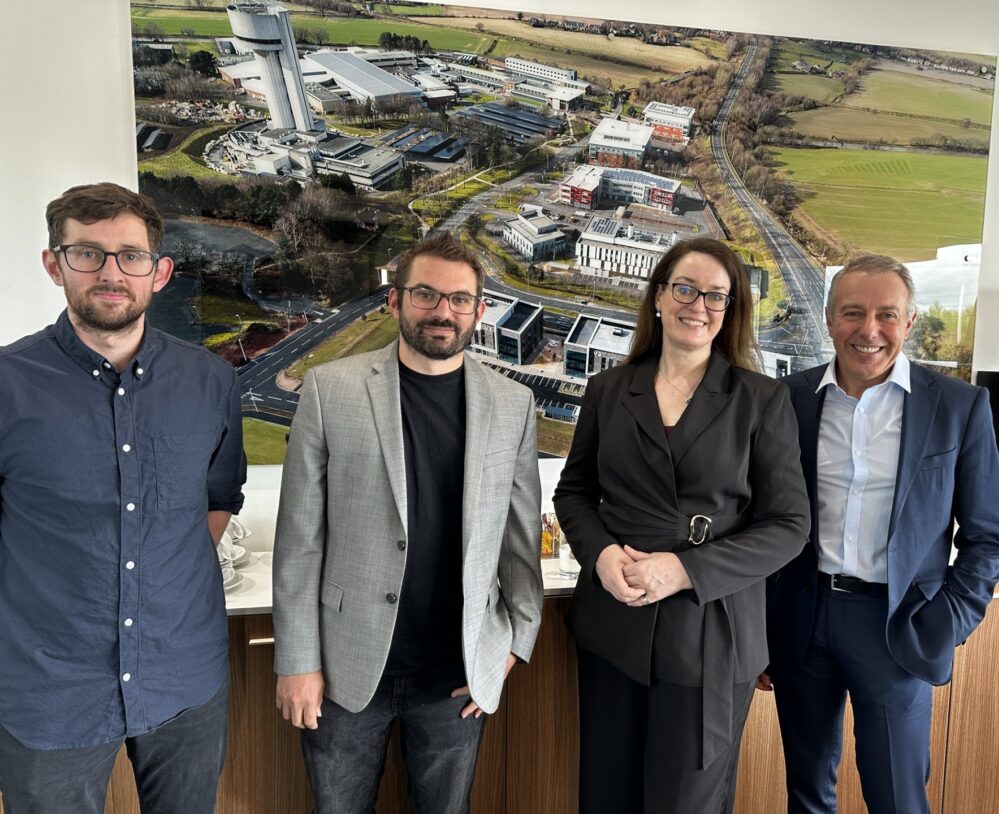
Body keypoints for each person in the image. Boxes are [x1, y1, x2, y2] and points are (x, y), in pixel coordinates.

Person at [272, 232, 543, 814]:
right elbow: (299, 542)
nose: (443, 311)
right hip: (344, 671)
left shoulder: (513, 403)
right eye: (425, 294)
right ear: (394, 301)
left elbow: (520, 541)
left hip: (458, 670)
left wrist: (515, 641)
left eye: (459, 299)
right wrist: (297, 662)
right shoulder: (330, 390)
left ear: (478, 309)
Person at [0, 182, 247, 812]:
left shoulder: (210, 381)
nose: (112, 273)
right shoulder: (7, 384)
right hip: (49, 685)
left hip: (183, 673)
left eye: (130, 256)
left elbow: (219, 498)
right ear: (54, 264)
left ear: (159, 272)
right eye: (88, 253)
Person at [553, 237, 810, 814]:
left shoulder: (761, 399)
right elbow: (574, 493)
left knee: (684, 803)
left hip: (710, 634)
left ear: (731, 309)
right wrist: (598, 554)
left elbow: (789, 524)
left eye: (716, 296)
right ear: (660, 297)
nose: (699, 305)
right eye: (686, 289)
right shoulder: (609, 390)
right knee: (607, 795)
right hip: (614, 624)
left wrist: (685, 569)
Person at [761, 254, 999, 814]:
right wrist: (759, 625)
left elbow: (989, 536)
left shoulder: (958, 407)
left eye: (886, 314)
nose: (868, 330)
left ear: (910, 320)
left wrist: (945, 623)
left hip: (898, 627)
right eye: (853, 312)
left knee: (897, 797)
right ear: (829, 319)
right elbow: (760, 520)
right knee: (806, 794)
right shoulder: (788, 400)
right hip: (802, 618)